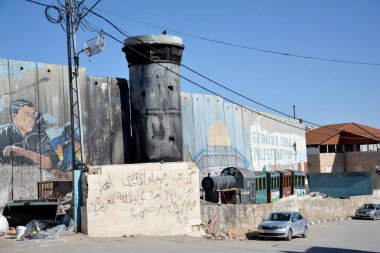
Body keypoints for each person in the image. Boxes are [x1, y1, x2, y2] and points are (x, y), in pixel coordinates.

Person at [0, 99, 59, 169]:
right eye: (26, 115)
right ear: (14, 117)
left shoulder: (40, 136)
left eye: (32, 116)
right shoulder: (2, 135)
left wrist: (23, 152)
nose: (31, 120)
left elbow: (49, 163)